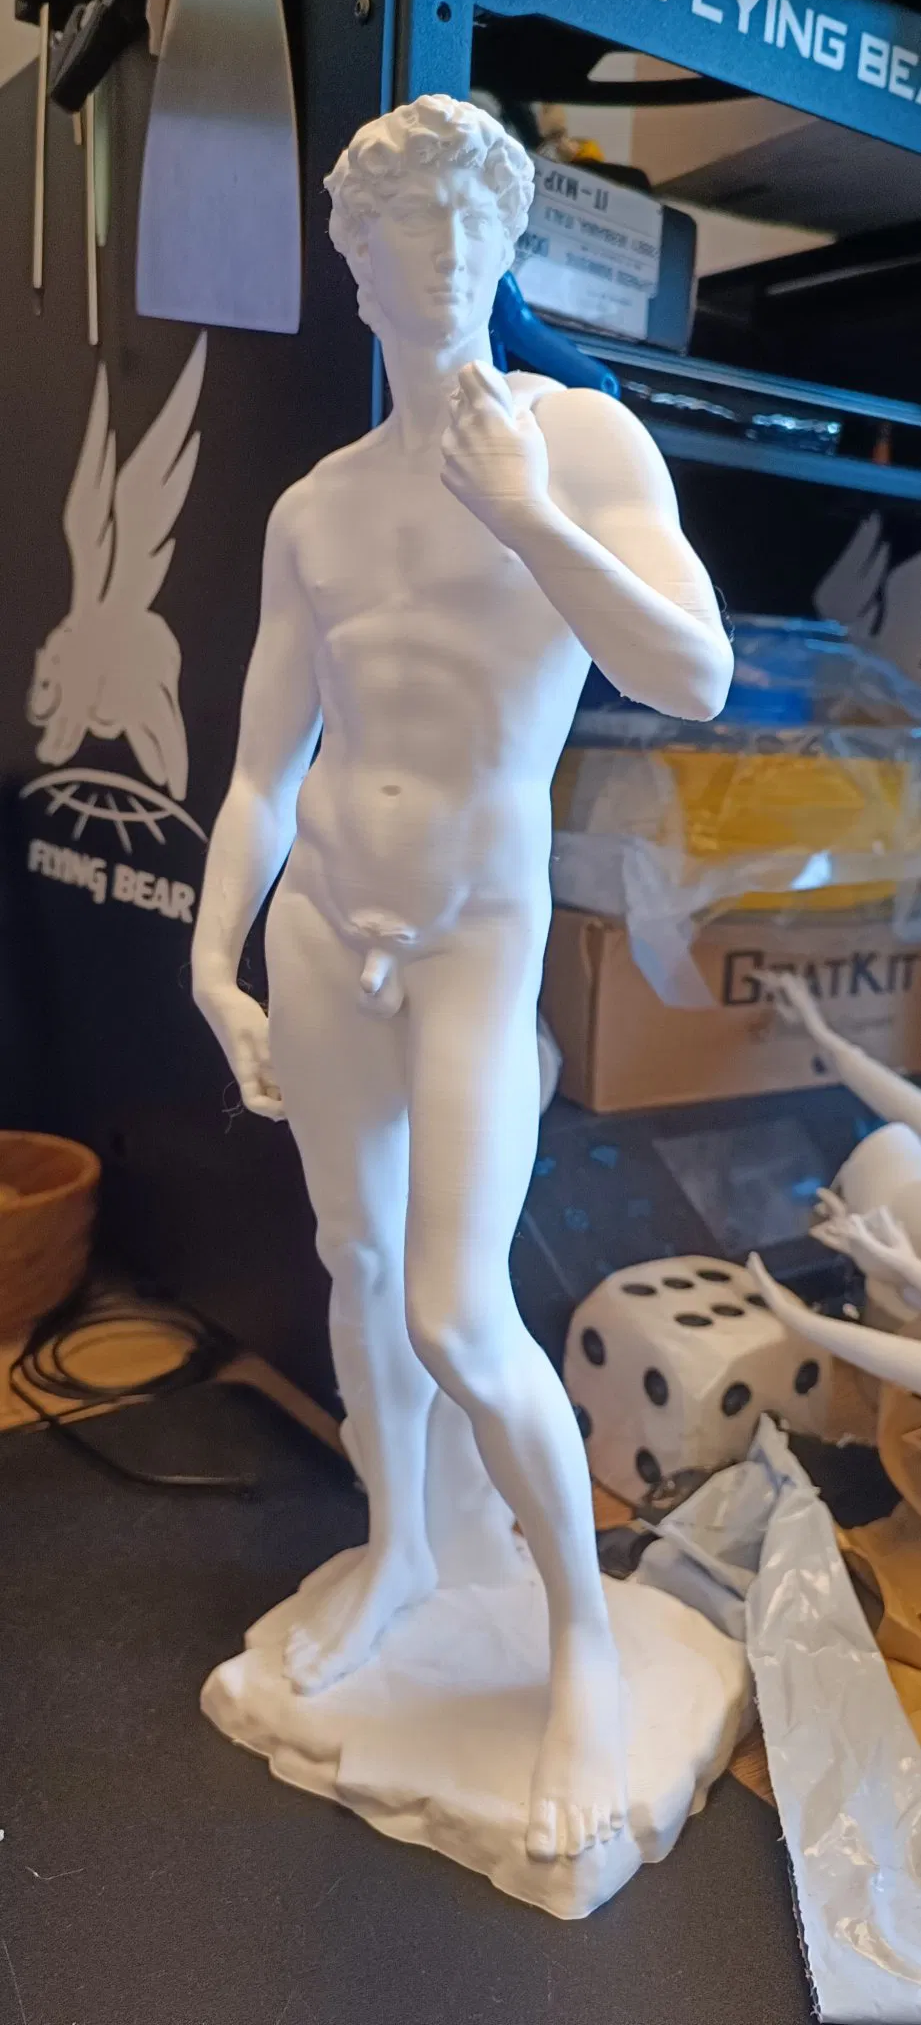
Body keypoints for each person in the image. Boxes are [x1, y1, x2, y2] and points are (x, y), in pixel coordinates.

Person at [191, 95, 733, 1861]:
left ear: (504, 249)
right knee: (354, 1267)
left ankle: (581, 1639)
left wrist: (531, 519)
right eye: (397, 234)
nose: (434, 260)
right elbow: (264, 769)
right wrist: (210, 958)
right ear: (352, 272)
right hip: (319, 925)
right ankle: (406, 1548)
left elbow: (697, 674)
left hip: (473, 940)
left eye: (462, 228)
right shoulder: (317, 509)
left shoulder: (580, 444)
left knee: (452, 1308)